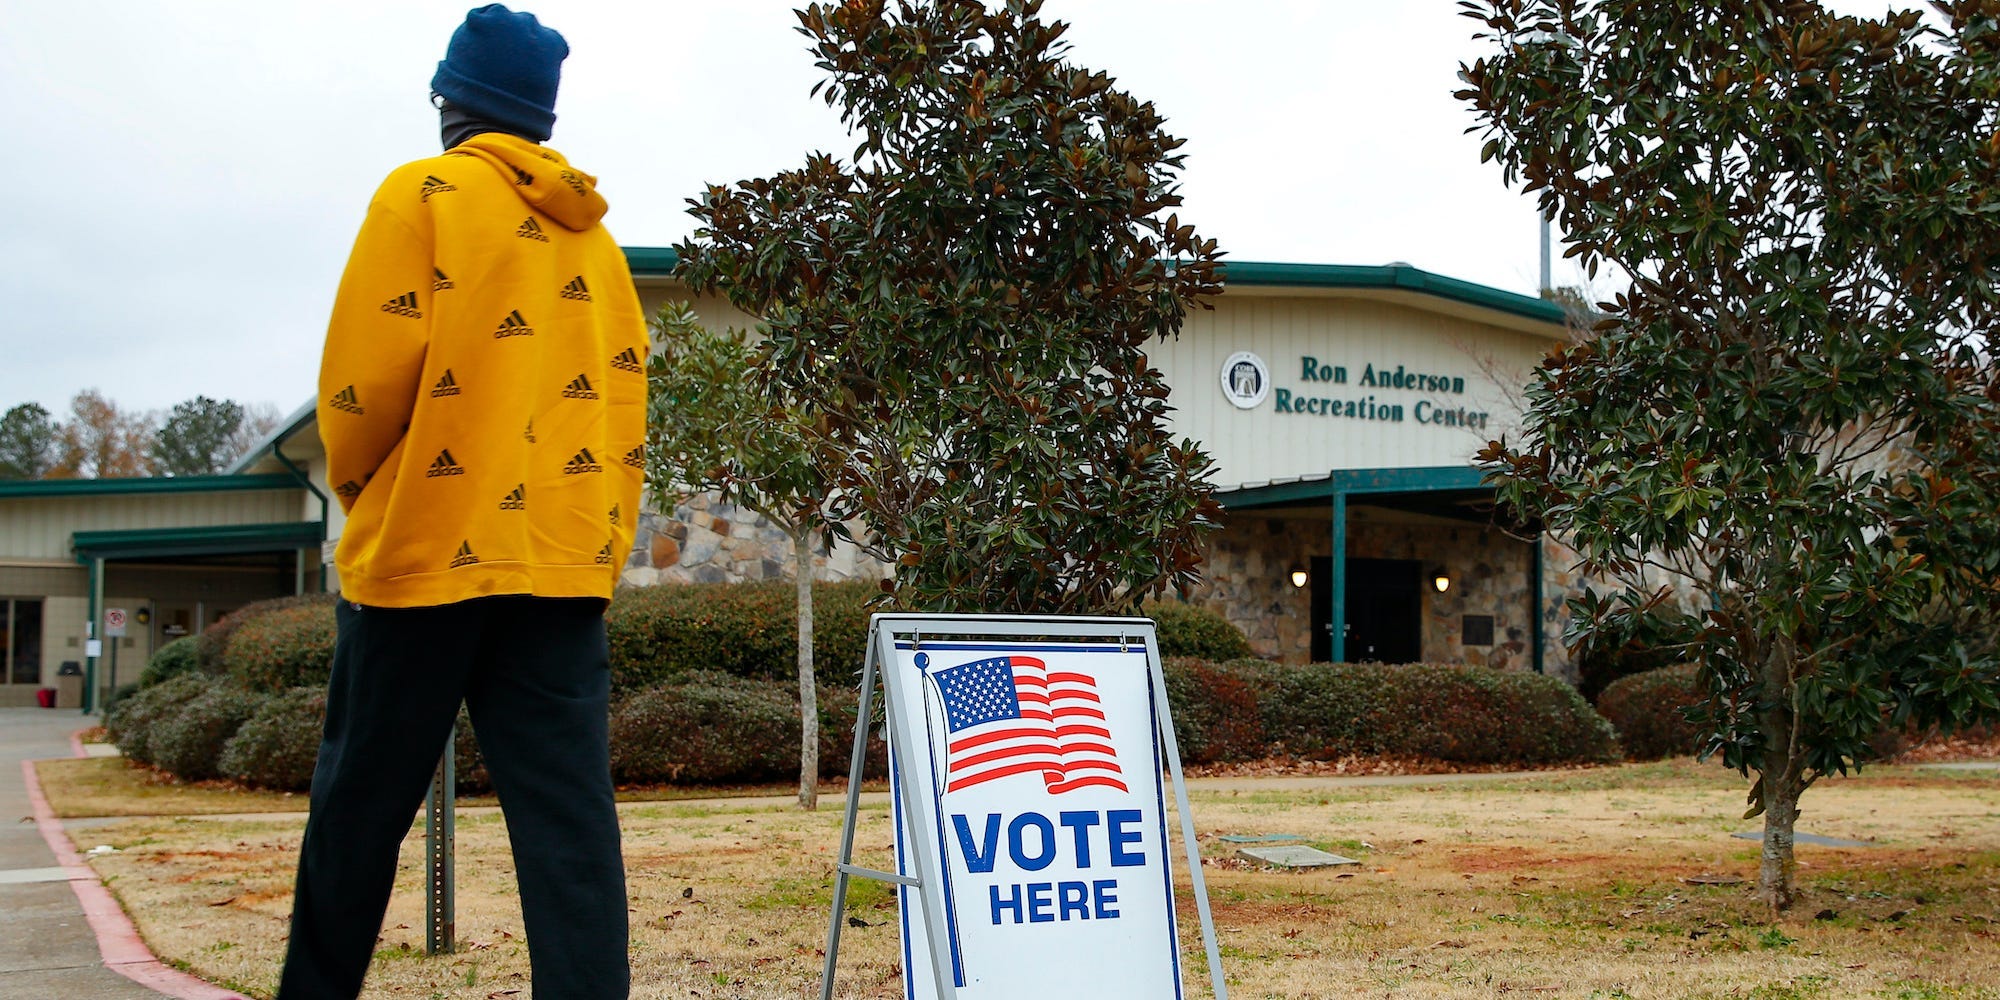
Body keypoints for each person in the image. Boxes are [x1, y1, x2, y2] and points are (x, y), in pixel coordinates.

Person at [280, 6, 645, 997]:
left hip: (426, 560)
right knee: (570, 834)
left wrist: (373, 500)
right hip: (560, 570)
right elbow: (622, 410)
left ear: (449, 100)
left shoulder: (421, 196)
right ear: (541, 118)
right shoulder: (596, 245)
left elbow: (359, 391)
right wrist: (594, 544)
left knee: (357, 815)